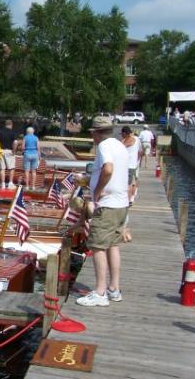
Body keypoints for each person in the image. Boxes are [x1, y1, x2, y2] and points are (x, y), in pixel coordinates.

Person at [76, 116, 129, 307]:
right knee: (113, 245)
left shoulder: (104, 146)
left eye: (92, 133)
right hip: (121, 204)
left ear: (97, 133)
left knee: (97, 246)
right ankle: (113, 289)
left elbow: (108, 169)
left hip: (108, 204)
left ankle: (100, 292)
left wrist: (96, 192)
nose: (92, 137)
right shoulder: (120, 145)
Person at [121, 126, 142, 205]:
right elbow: (140, 151)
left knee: (127, 184)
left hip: (126, 165)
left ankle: (127, 201)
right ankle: (130, 199)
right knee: (131, 183)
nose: (121, 135)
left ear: (124, 133)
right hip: (133, 165)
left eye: (122, 134)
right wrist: (137, 161)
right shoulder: (137, 139)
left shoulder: (124, 141)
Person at [0, 119, 18, 188]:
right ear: (11, 124)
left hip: (1, 151)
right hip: (9, 151)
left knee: (2, 168)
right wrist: (14, 151)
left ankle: (2, 183)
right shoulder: (13, 132)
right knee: (11, 168)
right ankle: (10, 183)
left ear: (5, 124)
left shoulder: (0, 131)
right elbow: (15, 142)